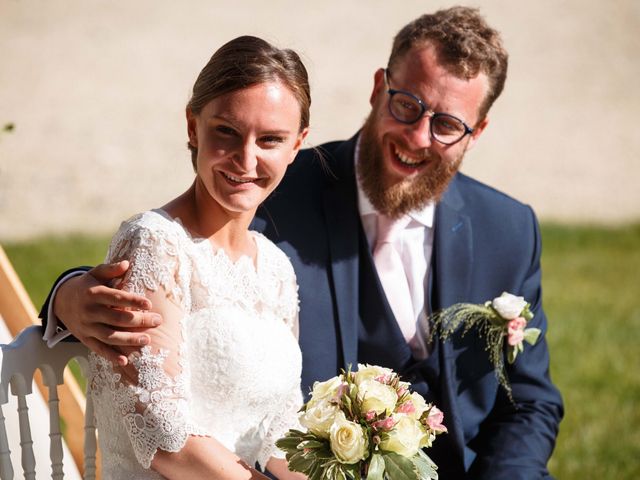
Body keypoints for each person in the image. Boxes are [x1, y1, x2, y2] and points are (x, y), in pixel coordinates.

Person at [42, 7, 563, 479]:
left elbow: (528, 401)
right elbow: (164, 266)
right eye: (408, 105)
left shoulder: (509, 229)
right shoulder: (273, 186)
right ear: (380, 87)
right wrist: (68, 297)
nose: (418, 136)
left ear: (478, 130)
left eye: (447, 124)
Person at [54, 35, 311, 479]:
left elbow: (279, 433)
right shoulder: (154, 243)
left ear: (296, 145)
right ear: (193, 127)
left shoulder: (275, 269)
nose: (246, 159)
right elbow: (164, 437)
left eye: (270, 139)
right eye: (227, 132)